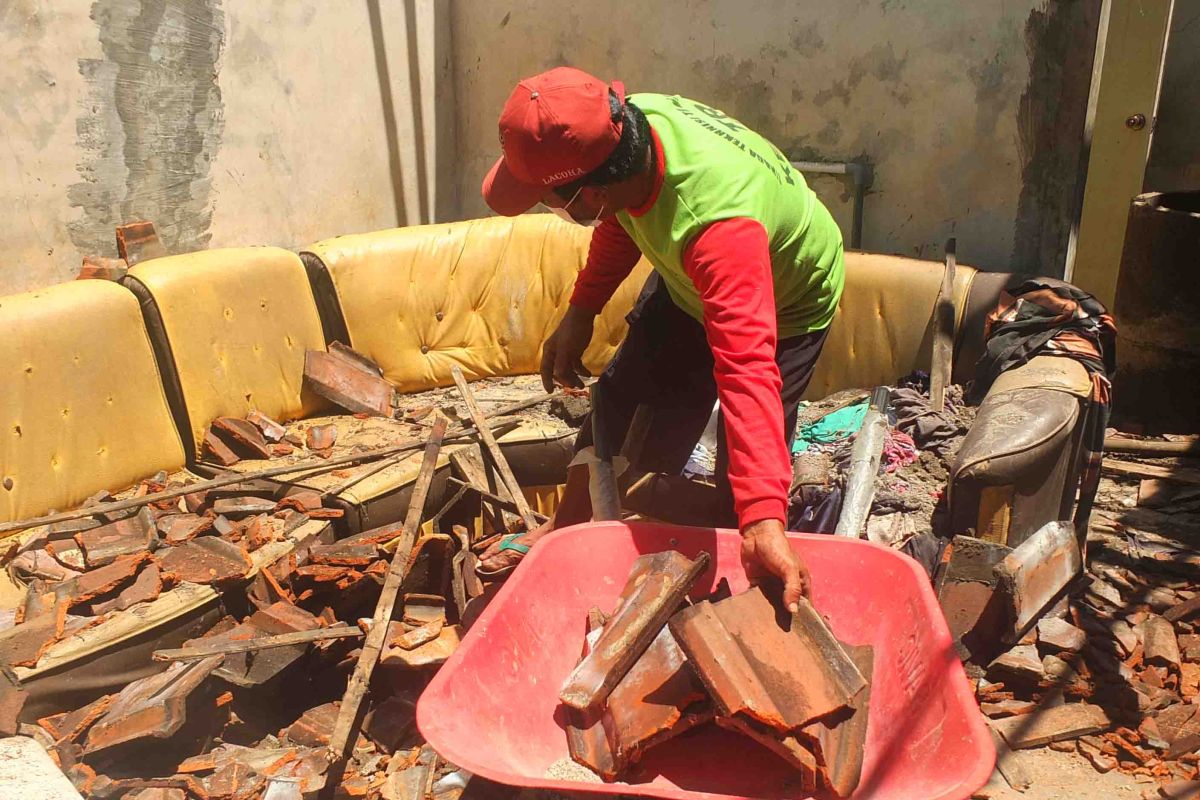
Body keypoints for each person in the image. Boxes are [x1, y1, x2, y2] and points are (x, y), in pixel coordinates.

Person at [477, 67, 844, 613]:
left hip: (789, 295)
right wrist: (581, 311)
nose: (548, 211)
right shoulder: (625, 132)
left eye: (549, 202)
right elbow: (622, 217)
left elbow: (747, 372)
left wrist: (764, 516)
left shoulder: (716, 228)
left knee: (740, 490)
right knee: (618, 401)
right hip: (690, 277)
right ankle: (567, 529)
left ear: (589, 193)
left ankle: (732, 591)